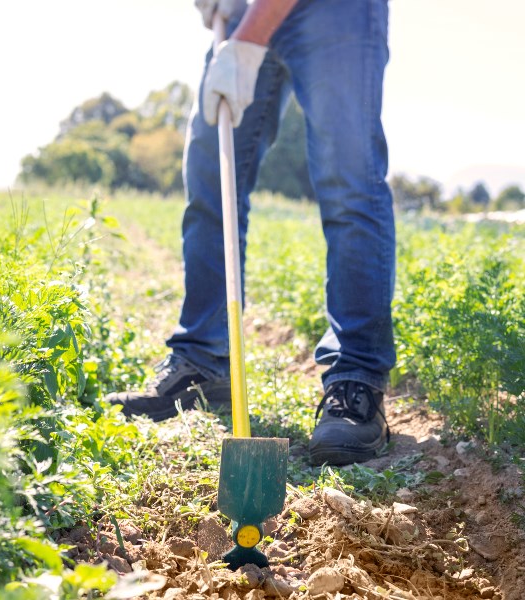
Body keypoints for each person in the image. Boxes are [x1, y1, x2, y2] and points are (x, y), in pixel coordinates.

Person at [107, 0, 395, 466]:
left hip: (335, 12)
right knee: (211, 176)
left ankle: (355, 377)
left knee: (349, 183)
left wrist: (247, 39)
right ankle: (202, 359)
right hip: (245, 12)